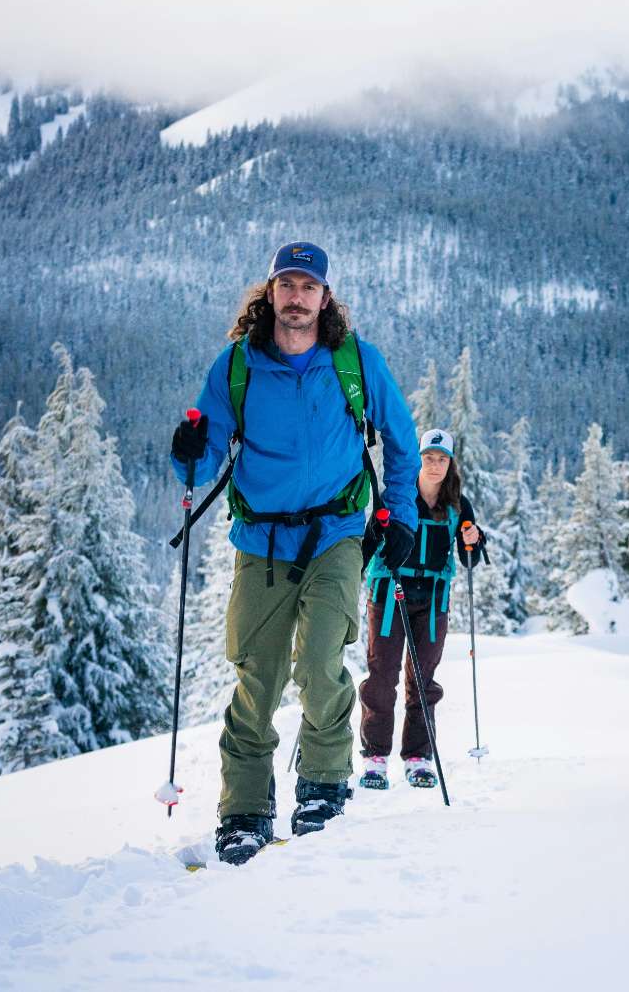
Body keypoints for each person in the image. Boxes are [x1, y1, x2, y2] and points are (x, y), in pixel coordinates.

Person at [172, 241, 422, 865]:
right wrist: (189, 447)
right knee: (258, 675)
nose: (297, 297)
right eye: (287, 284)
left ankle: (322, 788)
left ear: (325, 296)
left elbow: (401, 439)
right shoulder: (238, 367)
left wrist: (401, 517)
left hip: (338, 531)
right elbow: (203, 459)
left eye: (308, 287)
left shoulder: (355, 361)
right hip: (261, 540)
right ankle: (245, 812)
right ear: (270, 292)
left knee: (317, 663)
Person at [358, 428, 483, 790]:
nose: (434, 465)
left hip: (432, 600)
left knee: (423, 681)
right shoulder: (397, 498)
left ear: (450, 464)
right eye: (429, 458)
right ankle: (375, 759)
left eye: (442, 459)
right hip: (388, 592)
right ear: (418, 459)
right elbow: (369, 541)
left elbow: (467, 557)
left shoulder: (458, 504)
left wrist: (474, 539)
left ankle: (417, 758)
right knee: (382, 676)